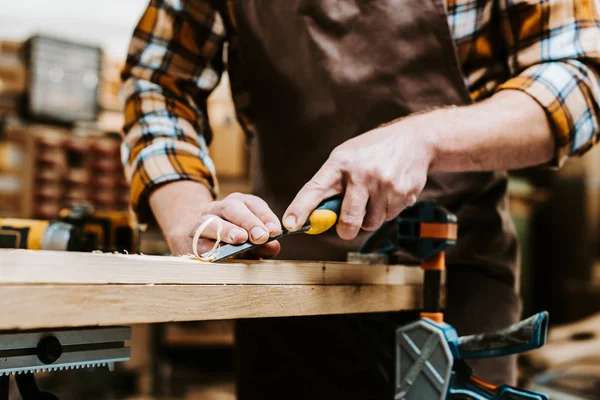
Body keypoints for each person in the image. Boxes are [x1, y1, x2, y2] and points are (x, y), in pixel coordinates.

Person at [120, 0, 600, 398]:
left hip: (452, 285)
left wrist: (425, 138)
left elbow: (580, 79)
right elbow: (160, 82)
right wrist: (188, 217)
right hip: (283, 288)